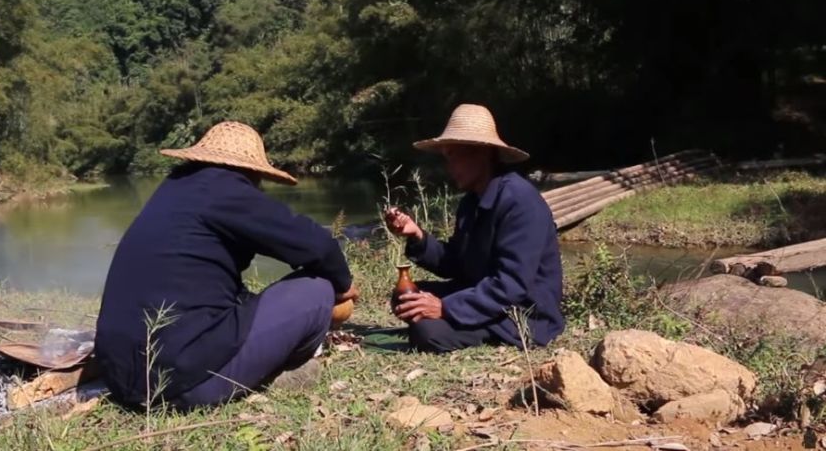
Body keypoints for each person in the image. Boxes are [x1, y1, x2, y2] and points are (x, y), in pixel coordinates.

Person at [95, 121, 359, 410]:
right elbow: (317, 245)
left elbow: (214, 283)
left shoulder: (174, 190)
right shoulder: (224, 188)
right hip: (181, 383)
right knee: (316, 290)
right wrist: (344, 286)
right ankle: (278, 368)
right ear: (252, 171)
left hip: (122, 379)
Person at [385, 104, 564, 353]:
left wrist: (445, 308)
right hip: (481, 295)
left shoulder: (519, 201)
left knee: (427, 331)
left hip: (521, 313)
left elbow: (511, 284)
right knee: (406, 296)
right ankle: (452, 320)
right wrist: (417, 235)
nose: (449, 167)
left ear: (481, 154)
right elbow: (458, 264)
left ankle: (459, 326)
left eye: (453, 157)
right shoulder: (472, 201)